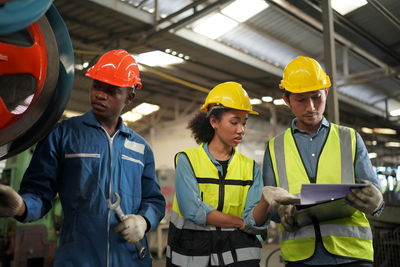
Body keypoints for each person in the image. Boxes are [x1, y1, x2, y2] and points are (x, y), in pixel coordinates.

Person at [0, 49, 166, 266]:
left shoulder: (141, 148)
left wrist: (144, 221)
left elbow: (154, 200)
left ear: (130, 97)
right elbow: (40, 192)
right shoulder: (62, 135)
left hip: (131, 259)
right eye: (97, 85)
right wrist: (21, 206)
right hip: (78, 258)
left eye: (112, 90)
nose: (100, 94)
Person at [262, 56, 384, 267]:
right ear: (287, 100)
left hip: (352, 256)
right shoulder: (275, 148)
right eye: (301, 99)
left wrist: (377, 202)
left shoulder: (350, 139)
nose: (311, 107)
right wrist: (280, 212)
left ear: (326, 92)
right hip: (300, 258)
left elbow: (374, 197)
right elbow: (271, 206)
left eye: (316, 97)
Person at [166, 81, 297, 267]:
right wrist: (239, 222)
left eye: (244, 123)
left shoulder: (251, 168)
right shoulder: (187, 160)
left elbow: (253, 221)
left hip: (239, 260)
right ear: (214, 122)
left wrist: (265, 201)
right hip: (192, 257)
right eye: (234, 122)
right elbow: (192, 209)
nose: (241, 129)